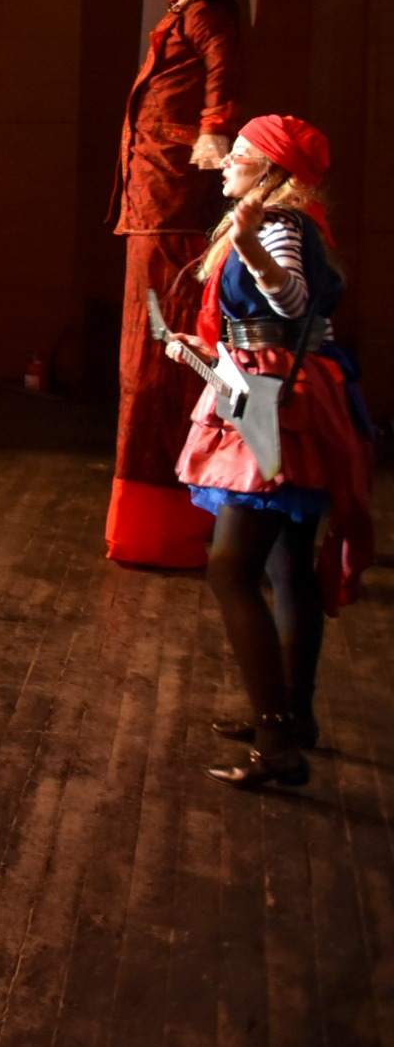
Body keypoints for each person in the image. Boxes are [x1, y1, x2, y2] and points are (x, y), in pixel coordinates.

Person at [159, 116, 375, 788]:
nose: (227, 164)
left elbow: (289, 297)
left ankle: (278, 742)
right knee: (288, 565)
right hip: (276, 386)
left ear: (273, 173)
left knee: (230, 567)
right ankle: (293, 714)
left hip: (275, 394)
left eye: (242, 156)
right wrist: (199, 353)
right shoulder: (292, 221)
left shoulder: (280, 224)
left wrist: (250, 244)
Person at [109, 0, 243, 569]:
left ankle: (168, 523)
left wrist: (214, 133)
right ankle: (146, 520)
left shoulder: (208, 18)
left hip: (168, 197)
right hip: (152, 200)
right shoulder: (186, 17)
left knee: (160, 357)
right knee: (144, 359)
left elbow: (224, 75)